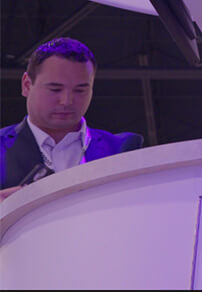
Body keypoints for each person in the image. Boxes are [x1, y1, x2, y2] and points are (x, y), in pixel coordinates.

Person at [0, 38, 143, 201]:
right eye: (55, 89)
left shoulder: (122, 150)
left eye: (80, 90)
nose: (66, 101)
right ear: (26, 85)